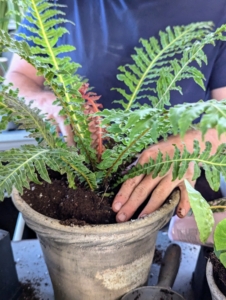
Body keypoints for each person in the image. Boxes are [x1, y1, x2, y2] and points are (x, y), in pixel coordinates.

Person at [5, 0, 226, 223]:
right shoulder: (50, 2)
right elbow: (17, 80)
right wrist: (45, 103)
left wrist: (192, 143)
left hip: (180, 184)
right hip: (71, 173)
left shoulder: (218, 8)